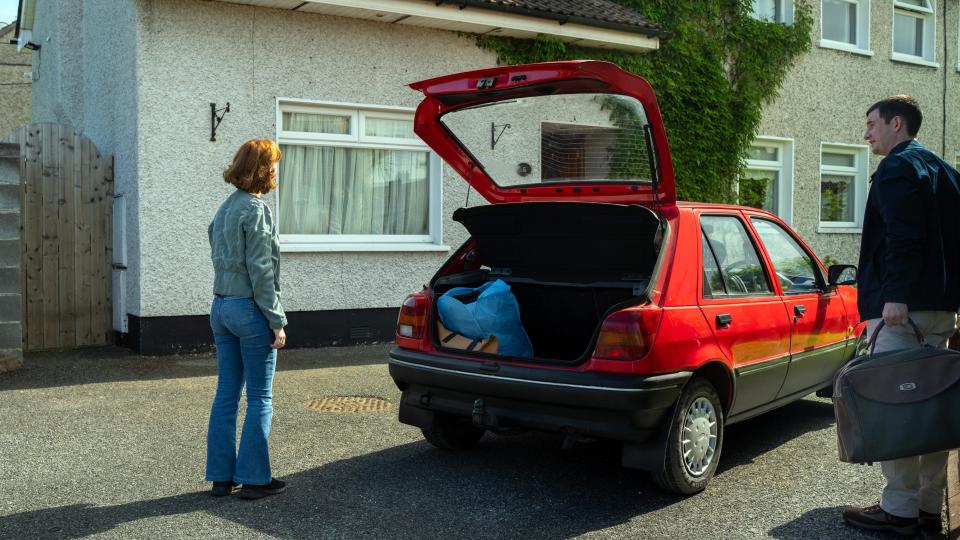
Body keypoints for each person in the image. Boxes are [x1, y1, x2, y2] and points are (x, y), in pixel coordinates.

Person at [843, 96, 960, 535]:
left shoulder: (896, 167)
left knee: (897, 409)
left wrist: (894, 295)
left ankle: (899, 512)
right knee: (932, 410)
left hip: (901, 314)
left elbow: (902, 236)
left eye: (872, 123)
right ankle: (929, 510)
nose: (867, 133)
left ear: (897, 124)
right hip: (940, 312)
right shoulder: (947, 173)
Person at [205, 139, 289, 500]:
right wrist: (276, 319)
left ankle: (221, 479)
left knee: (226, 395)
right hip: (249, 310)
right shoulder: (256, 210)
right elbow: (261, 270)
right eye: (273, 165)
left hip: (220, 309)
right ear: (263, 169)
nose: (276, 171)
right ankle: (255, 479)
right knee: (259, 397)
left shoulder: (224, 210)